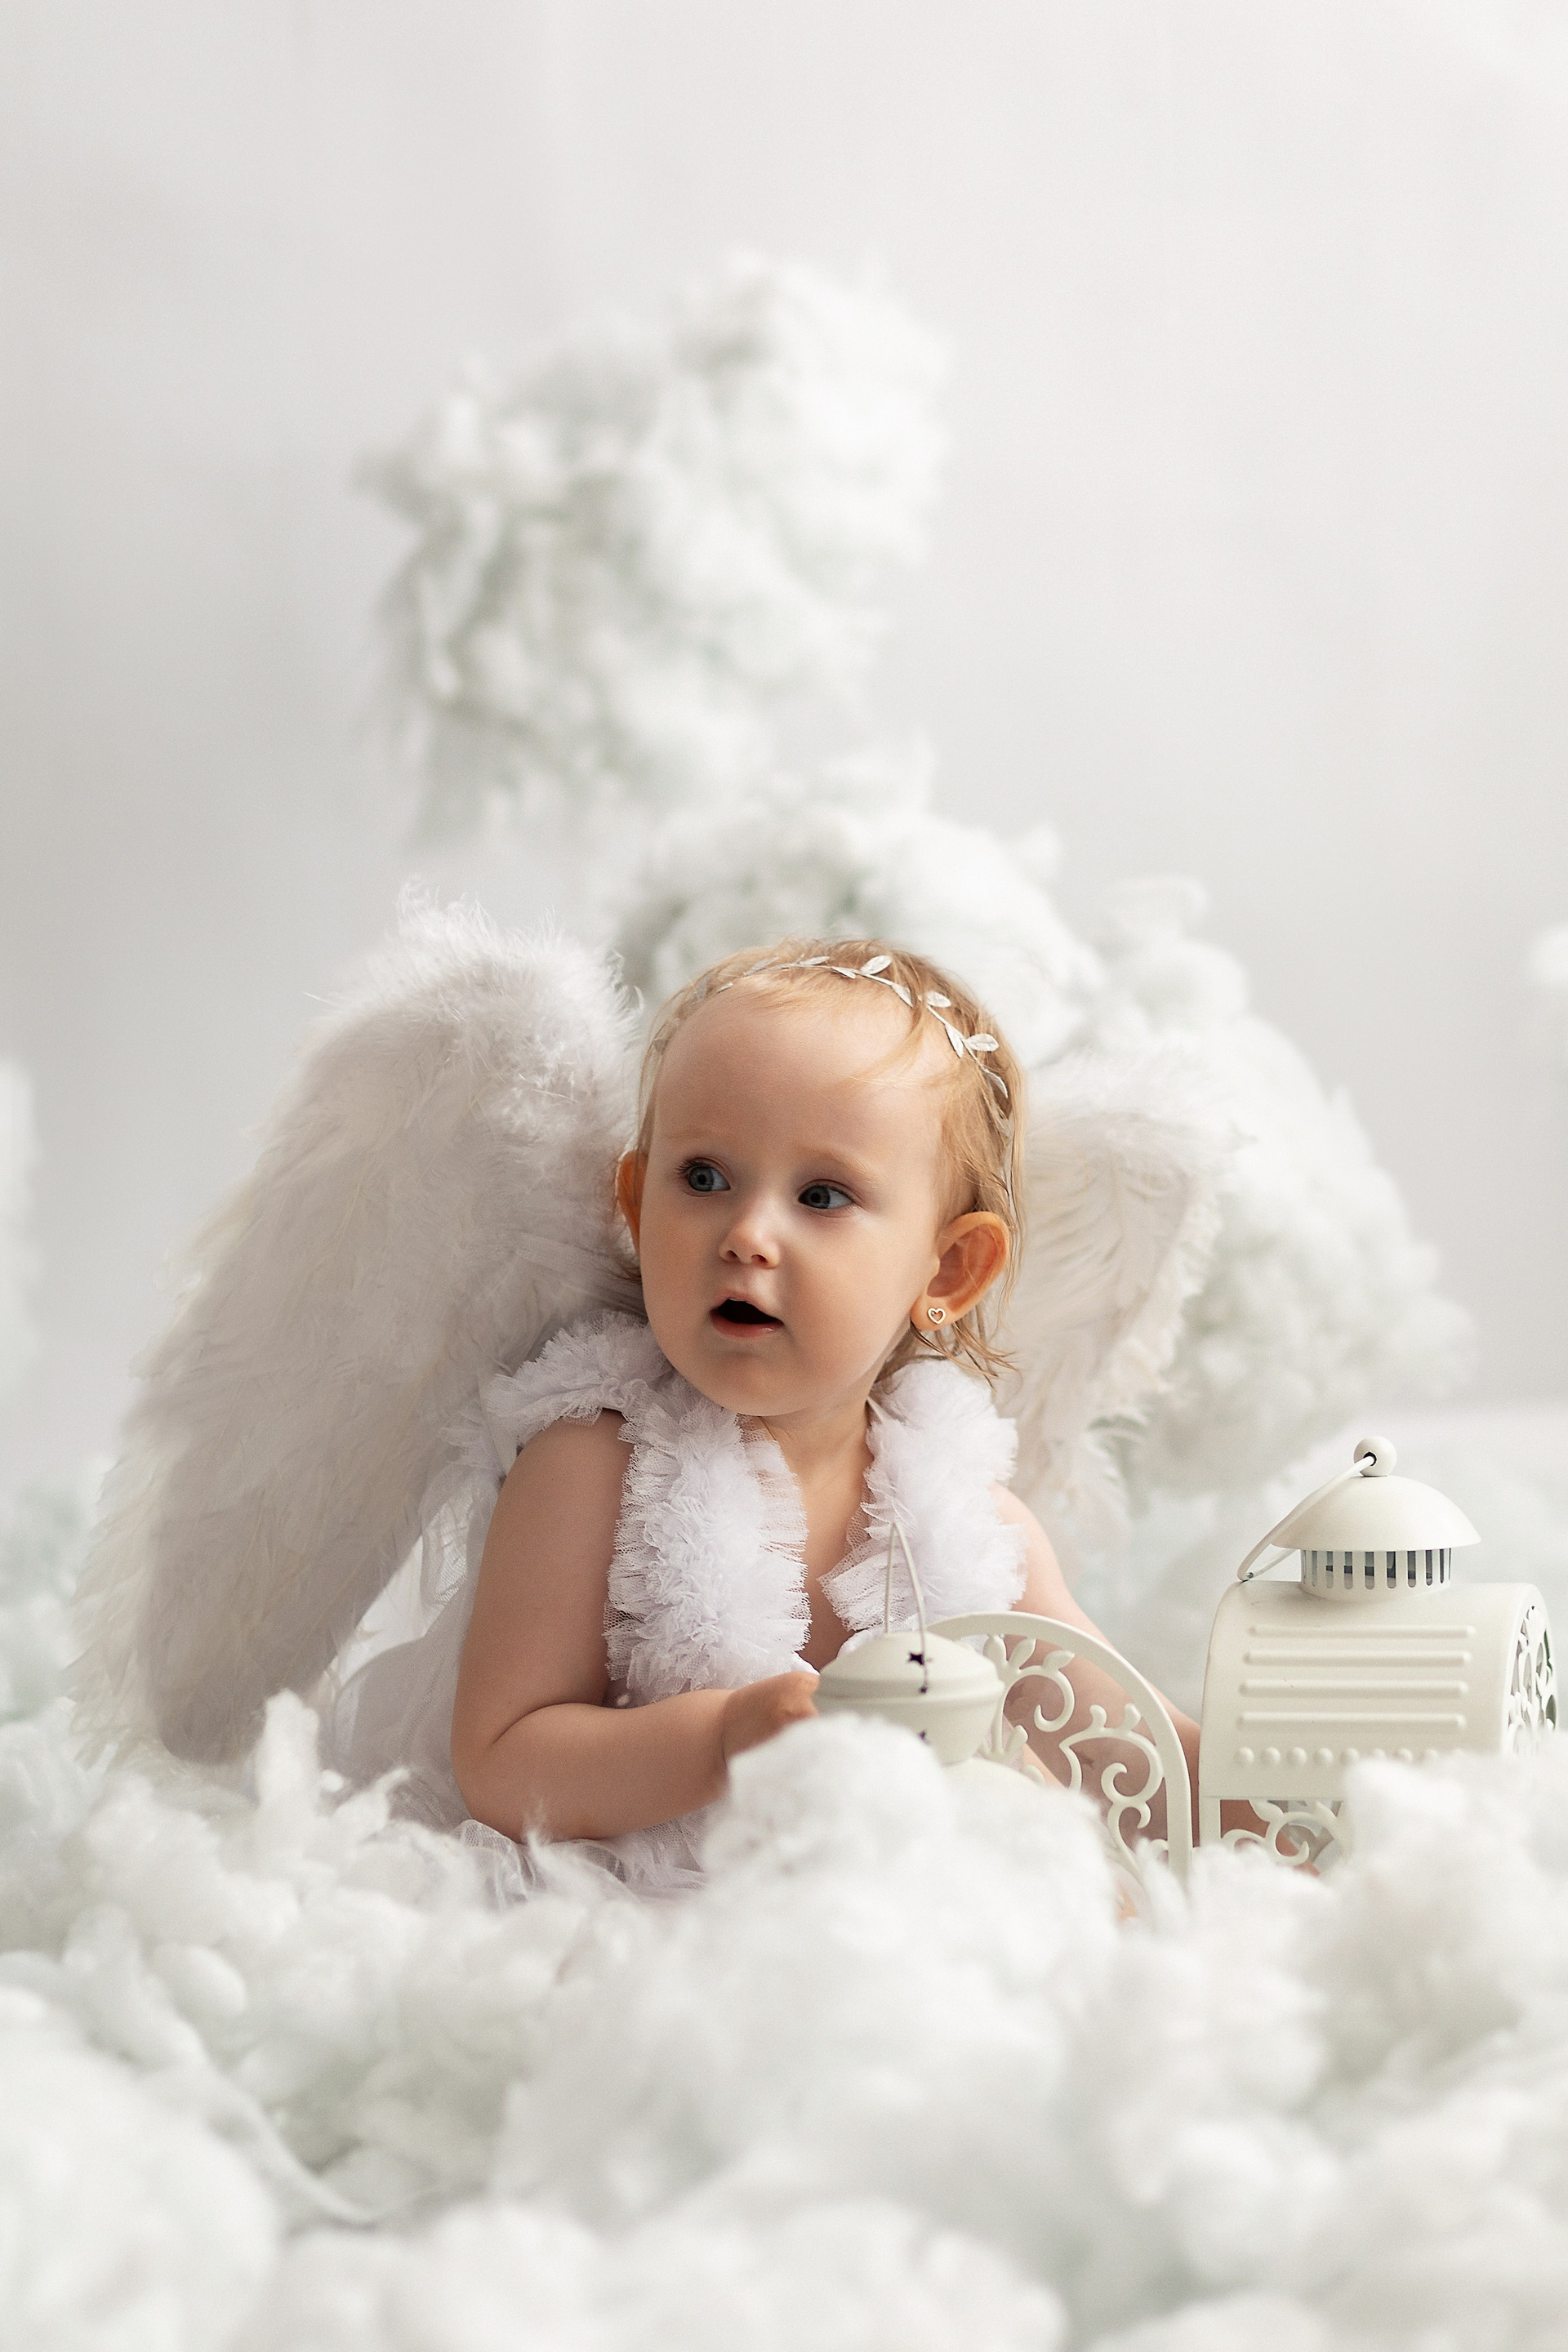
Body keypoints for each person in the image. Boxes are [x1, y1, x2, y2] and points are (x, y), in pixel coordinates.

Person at [448, 939, 1201, 1885]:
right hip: (661, 1912)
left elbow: (1129, 1744)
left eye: (822, 1195)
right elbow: (501, 1759)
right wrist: (719, 1739)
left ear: (948, 1270)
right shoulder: (593, 1466)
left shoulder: (965, 1522)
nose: (747, 1235)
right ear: (636, 1209)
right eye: (704, 1178)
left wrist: (1282, 1798)